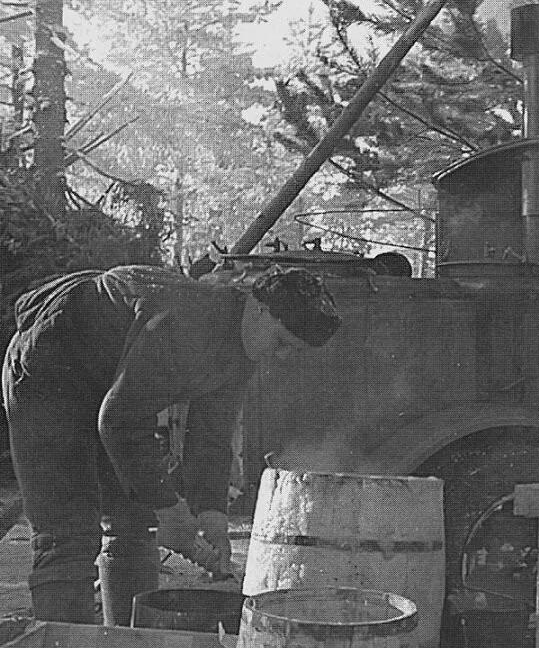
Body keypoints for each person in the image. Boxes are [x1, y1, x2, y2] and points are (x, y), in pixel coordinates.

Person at [2, 264, 340, 625]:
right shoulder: (190, 320)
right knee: (67, 530)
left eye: (294, 351)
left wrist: (211, 513)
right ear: (259, 309)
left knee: (133, 521)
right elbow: (119, 420)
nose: (282, 357)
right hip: (49, 367)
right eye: (282, 343)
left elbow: (211, 435)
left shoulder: (245, 348)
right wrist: (168, 506)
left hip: (110, 389)